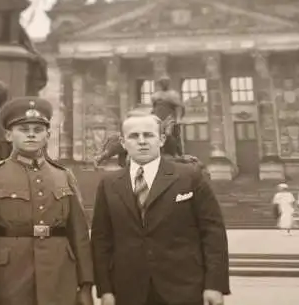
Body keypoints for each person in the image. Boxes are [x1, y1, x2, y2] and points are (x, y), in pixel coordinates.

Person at [0, 97, 94, 305]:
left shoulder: (64, 176)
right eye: (23, 129)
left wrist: (86, 285)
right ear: (8, 135)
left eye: (38, 129)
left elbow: (80, 235)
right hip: (11, 282)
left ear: (48, 135)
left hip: (60, 279)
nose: (31, 134)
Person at [91, 113, 230, 305]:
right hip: (127, 291)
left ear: (162, 139)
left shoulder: (190, 177)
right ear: (123, 143)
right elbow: (101, 241)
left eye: (148, 135)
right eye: (134, 136)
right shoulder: (108, 184)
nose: (142, 142)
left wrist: (214, 285)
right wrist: (105, 290)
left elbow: (213, 233)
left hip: (184, 289)